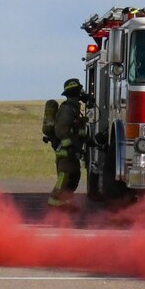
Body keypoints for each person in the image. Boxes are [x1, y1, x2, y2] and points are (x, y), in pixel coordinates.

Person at [45, 78, 88, 209]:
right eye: (80, 91)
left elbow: (75, 130)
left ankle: (65, 203)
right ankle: (55, 202)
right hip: (65, 150)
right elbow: (61, 129)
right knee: (65, 176)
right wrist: (68, 145)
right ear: (77, 92)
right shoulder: (67, 109)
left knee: (74, 176)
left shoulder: (74, 109)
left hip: (72, 150)